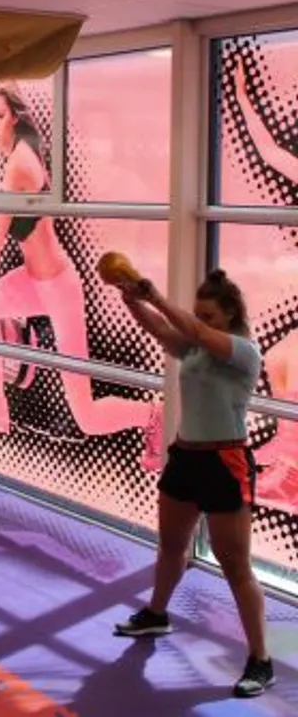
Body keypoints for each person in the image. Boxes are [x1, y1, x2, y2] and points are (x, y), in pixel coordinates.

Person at [0, 81, 161, 456]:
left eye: (0, 116)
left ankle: (154, 414)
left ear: (16, 117)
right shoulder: (20, 156)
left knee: (86, 416)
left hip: (59, 287)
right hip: (33, 279)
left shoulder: (19, 165)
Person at [113, 268, 274, 699]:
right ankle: (156, 614)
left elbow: (195, 331)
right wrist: (134, 302)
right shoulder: (197, 349)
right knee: (171, 545)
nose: (201, 322)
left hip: (224, 462)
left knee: (235, 565)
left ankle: (261, 659)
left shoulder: (243, 352)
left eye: (209, 315)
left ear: (230, 315)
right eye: (199, 314)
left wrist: (157, 296)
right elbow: (163, 331)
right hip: (185, 457)